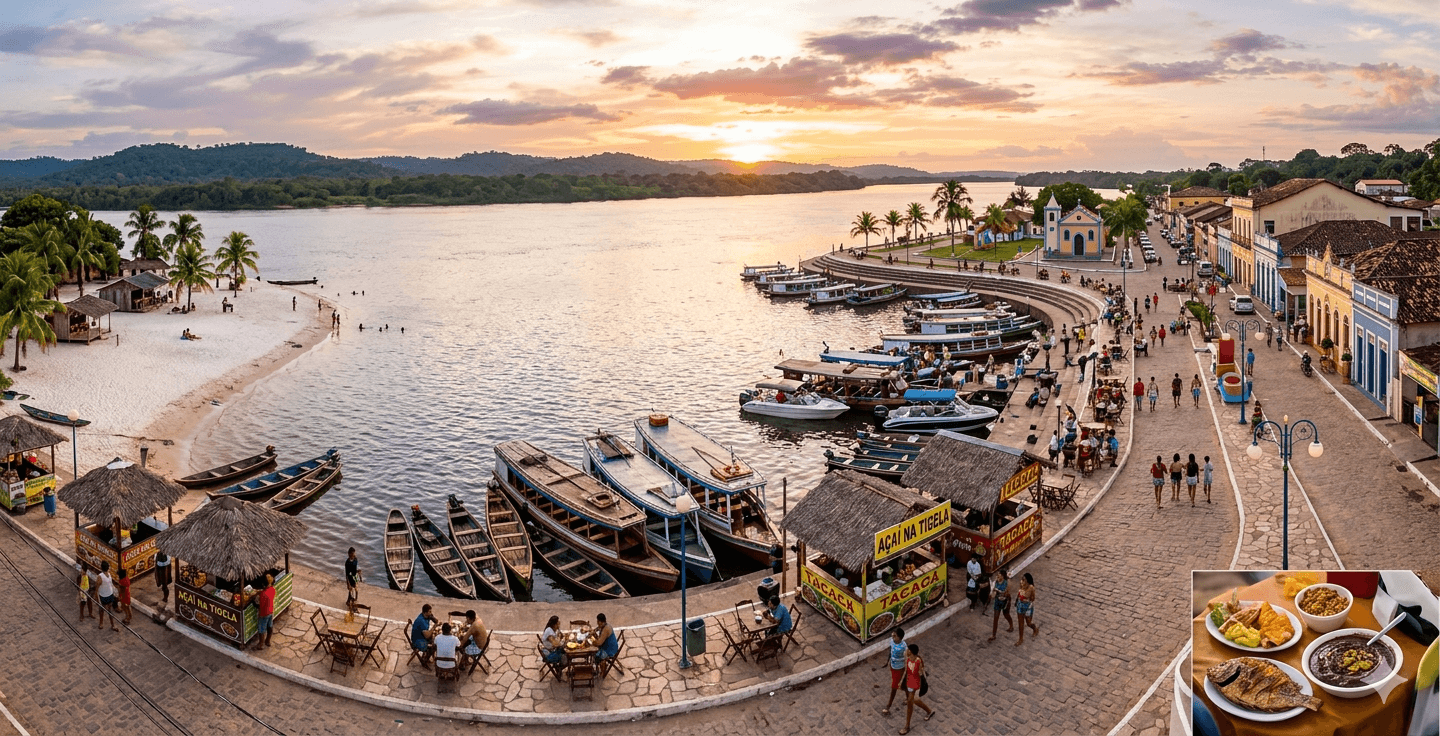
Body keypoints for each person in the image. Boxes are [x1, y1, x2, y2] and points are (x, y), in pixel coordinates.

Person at [899, 644, 934, 735]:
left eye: (907, 650)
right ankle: (929, 711)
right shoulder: (908, 660)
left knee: (914, 701)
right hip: (909, 684)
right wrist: (902, 682)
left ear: (910, 651)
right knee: (910, 704)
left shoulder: (918, 662)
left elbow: (922, 676)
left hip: (917, 685)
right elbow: (906, 672)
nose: (906, 651)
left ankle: (907, 726)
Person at [882, 627, 909, 716]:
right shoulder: (892, 641)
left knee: (894, 687)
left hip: (900, 669)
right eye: (893, 635)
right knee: (902, 685)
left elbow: (908, 658)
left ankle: (888, 706)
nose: (893, 636)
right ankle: (908, 698)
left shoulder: (904, 647)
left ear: (900, 637)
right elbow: (891, 650)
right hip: (892, 666)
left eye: (895, 636)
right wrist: (887, 661)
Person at [989, 569, 1014, 642]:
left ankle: (1011, 625)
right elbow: (993, 594)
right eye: (997, 575)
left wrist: (997, 590)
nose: (997, 576)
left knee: (1006, 615)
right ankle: (993, 635)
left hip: (1005, 602)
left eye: (999, 575)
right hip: (997, 602)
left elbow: (1005, 592)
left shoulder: (1007, 583)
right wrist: (993, 592)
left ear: (1002, 576)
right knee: (995, 618)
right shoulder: (996, 582)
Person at [1015, 573, 1039, 646]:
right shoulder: (1021, 586)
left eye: (1023, 580)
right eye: (1021, 579)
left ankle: (1035, 628)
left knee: (1028, 623)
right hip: (1020, 605)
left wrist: (1027, 601)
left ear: (1027, 581)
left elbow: (1032, 598)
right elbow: (1018, 594)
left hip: (1027, 606)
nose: (1022, 581)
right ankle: (1020, 638)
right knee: (1020, 623)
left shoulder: (1031, 588)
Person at [411, 603, 437, 669]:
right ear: (425, 612)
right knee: (432, 647)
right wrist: (434, 627)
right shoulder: (421, 621)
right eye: (430, 612)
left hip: (422, 636)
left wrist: (433, 618)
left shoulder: (427, 616)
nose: (431, 613)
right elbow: (427, 636)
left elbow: (436, 620)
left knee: (434, 639)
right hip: (417, 640)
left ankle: (427, 657)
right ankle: (424, 661)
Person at [96, 561, 118, 632]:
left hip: (110, 594)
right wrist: (97, 599)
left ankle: (112, 625)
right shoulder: (100, 576)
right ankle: (101, 623)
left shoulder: (109, 574)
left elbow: (110, 584)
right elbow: (97, 588)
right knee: (102, 609)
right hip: (103, 596)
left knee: (110, 610)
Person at [257, 574, 276, 648]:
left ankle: (261, 644)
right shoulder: (272, 589)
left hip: (264, 613)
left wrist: (260, 615)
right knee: (269, 626)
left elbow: (261, 606)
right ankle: (268, 641)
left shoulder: (263, 594)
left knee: (261, 628)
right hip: (271, 611)